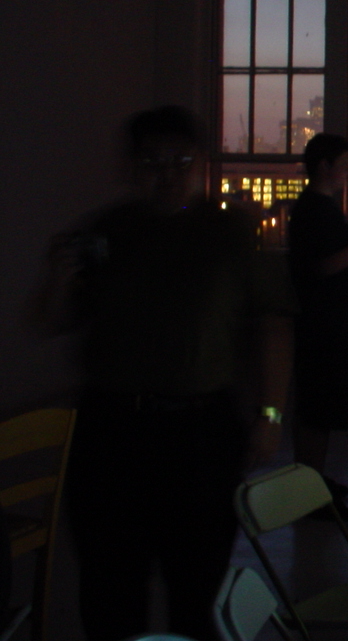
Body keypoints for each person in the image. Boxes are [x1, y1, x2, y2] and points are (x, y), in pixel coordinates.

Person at [28, 106, 294, 641]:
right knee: (108, 587)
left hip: (200, 430)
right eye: (152, 162)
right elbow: (52, 321)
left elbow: (273, 324)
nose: (167, 174)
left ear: (201, 163)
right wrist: (58, 279)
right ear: (131, 166)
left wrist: (269, 414)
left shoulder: (230, 231)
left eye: (180, 161)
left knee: (195, 587)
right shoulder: (108, 230)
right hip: (111, 430)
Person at [288, 133, 348, 521]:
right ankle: (308, 490)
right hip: (324, 327)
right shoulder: (315, 210)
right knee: (318, 410)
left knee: (319, 410)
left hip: (328, 325)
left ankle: (311, 480)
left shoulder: (317, 208)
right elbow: (326, 265)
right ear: (325, 166)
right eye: (344, 165)